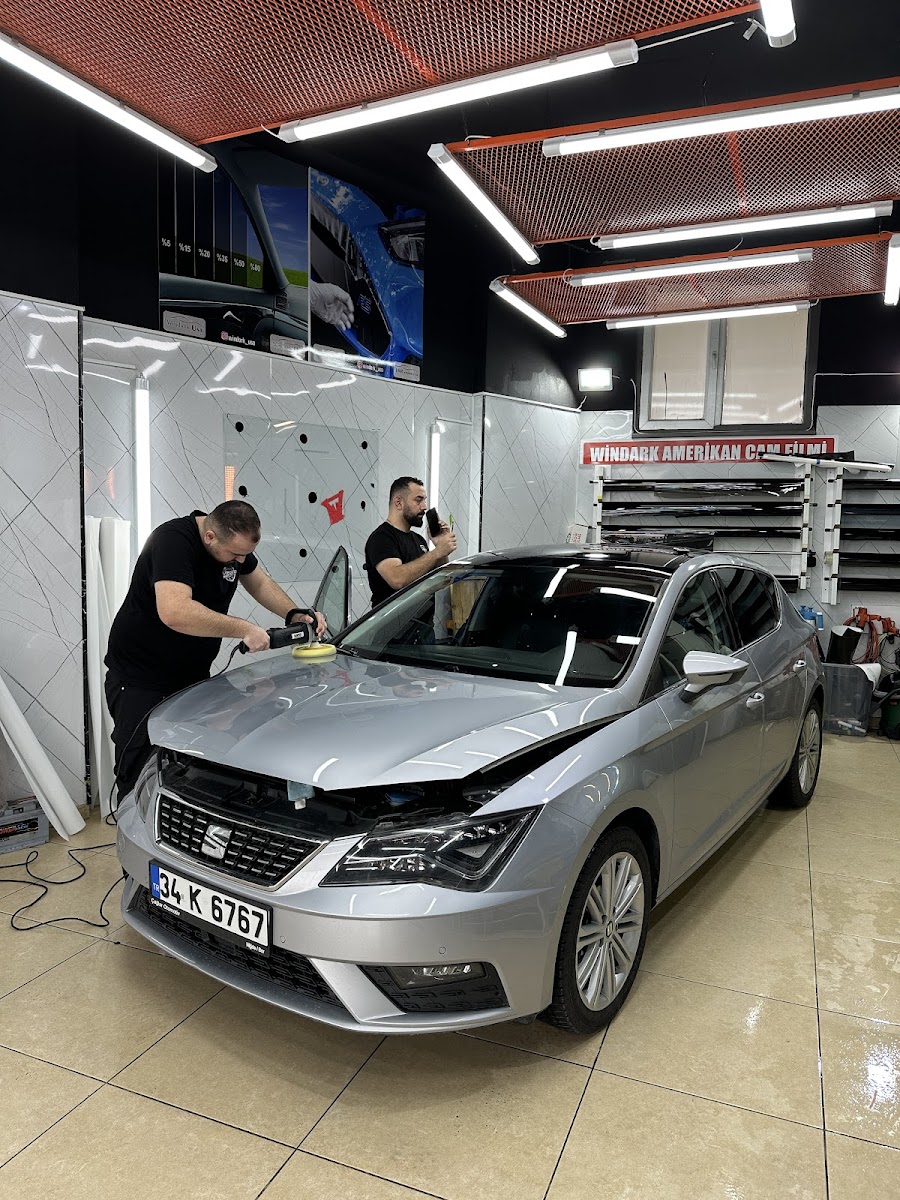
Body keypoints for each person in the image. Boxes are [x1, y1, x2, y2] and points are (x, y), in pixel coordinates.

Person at [104, 501, 325, 799]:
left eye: (244, 555)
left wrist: (293, 613)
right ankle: (131, 823)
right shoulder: (172, 541)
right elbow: (175, 611)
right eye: (235, 555)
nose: (240, 561)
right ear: (210, 537)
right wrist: (244, 628)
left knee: (186, 768)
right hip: (141, 678)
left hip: (191, 675)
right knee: (139, 772)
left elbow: (260, 583)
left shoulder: (230, 545)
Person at [364, 477, 457, 607]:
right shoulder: (381, 538)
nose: (424, 507)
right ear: (398, 503)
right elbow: (397, 579)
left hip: (422, 619)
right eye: (418, 500)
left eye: (424, 500)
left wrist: (441, 548)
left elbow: (442, 581)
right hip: (394, 619)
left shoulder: (418, 540)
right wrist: (436, 552)